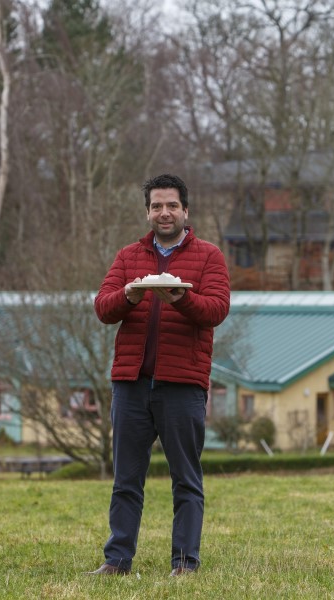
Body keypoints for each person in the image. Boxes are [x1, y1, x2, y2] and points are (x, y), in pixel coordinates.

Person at [89, 174, 230, 576]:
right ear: (147, 211)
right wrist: (129, 295)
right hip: (131, 385)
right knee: (126, 481)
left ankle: (185, 562)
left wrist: (181, 298)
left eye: (171, 206)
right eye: (156, 206)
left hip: (182, 385)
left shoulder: (209, 257)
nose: (163, 213)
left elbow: (217, 310)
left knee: (186, 480)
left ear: (186, 210)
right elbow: (103, 307)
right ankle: (117, 560)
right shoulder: (128, 256)